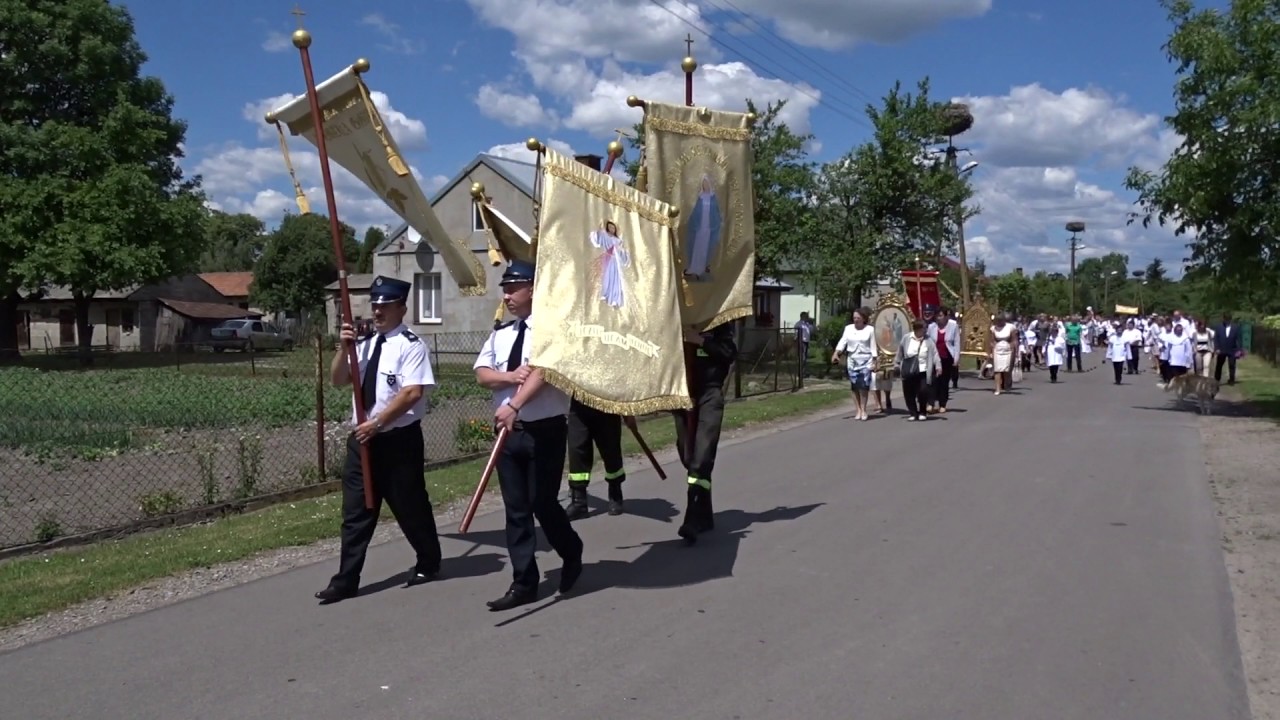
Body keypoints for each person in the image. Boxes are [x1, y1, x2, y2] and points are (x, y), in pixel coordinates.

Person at [315, 276, 443, 604]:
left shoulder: (411, 345)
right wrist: (344, 351)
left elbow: (412, 392)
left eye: (385, 305)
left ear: (401, 307)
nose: (378, 311)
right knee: (356, 513)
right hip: (363, 442)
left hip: (398, 441)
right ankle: (346, 580)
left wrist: (378, 422)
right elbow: (338, 379)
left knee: (410, 506)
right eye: (375, 305)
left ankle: (429, 561)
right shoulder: (365, 344)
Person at [473, 260, 583, 611]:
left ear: (533, 289)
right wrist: (510, 377)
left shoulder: (553, 330)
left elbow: (545, 372)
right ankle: (524, 582)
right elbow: (482, 374)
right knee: (515, 509)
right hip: (509, 432)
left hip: (544, 430)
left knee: (543, 503)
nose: (506, 296)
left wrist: (516, 403)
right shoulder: (501, 334)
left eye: (512, 288)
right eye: (504, 289)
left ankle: (571, 551)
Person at [672, 321, 737, 544]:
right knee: (689, 457)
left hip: (709, 394)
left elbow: (729, 353)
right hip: (683, 396)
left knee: (701, 457)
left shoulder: (719, 321)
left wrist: (700, 340)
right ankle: (705, 515)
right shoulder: (675, 316)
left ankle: (692, 518)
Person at [565, 400, 627, 518]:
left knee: (611, 451)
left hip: (606, 402)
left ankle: (615, 495)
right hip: (579, 405)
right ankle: (579, 501)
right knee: (577, 452)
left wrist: (627, 410)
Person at [831, 307, 878, 421]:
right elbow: (843, 341)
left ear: (863, 319)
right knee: (855, 386)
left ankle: (864, 409)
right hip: (852, 359)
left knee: (864, 386)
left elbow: (873, 346)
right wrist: (836, 353)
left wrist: (876, 360)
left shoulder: (870, 330)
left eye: (858, 318)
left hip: (866, 359)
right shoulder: (848, 329)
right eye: (854, 318)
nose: (856, 320)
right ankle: (858, 410)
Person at [895, 319, 940, 421]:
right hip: (908, 369)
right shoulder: (907, 338)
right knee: (909, 393)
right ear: (917, 329)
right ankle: (913, 413)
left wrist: (938, 366)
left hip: (923, 370)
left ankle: (922, 412)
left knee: (923, 391)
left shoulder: (929, 340)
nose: (925, 331)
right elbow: (900, 352)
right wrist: (896, 364)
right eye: (923, 329)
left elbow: (935, 354)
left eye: (925, 329)